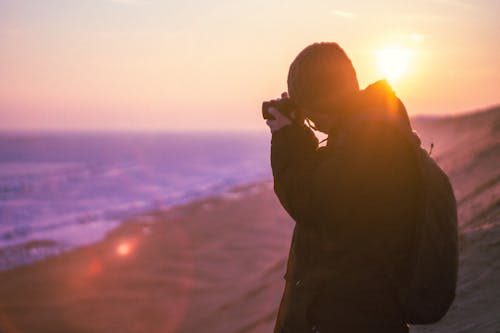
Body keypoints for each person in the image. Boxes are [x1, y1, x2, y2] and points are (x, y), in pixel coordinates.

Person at [264, 42, 421, 332]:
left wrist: (287, 137)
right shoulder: (367, 129)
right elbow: (330, 185)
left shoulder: (368, 138)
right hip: (363, 308)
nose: (311, 121)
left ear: (324, 107)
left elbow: (310, 203)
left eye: (311, 114)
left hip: (354, 314)